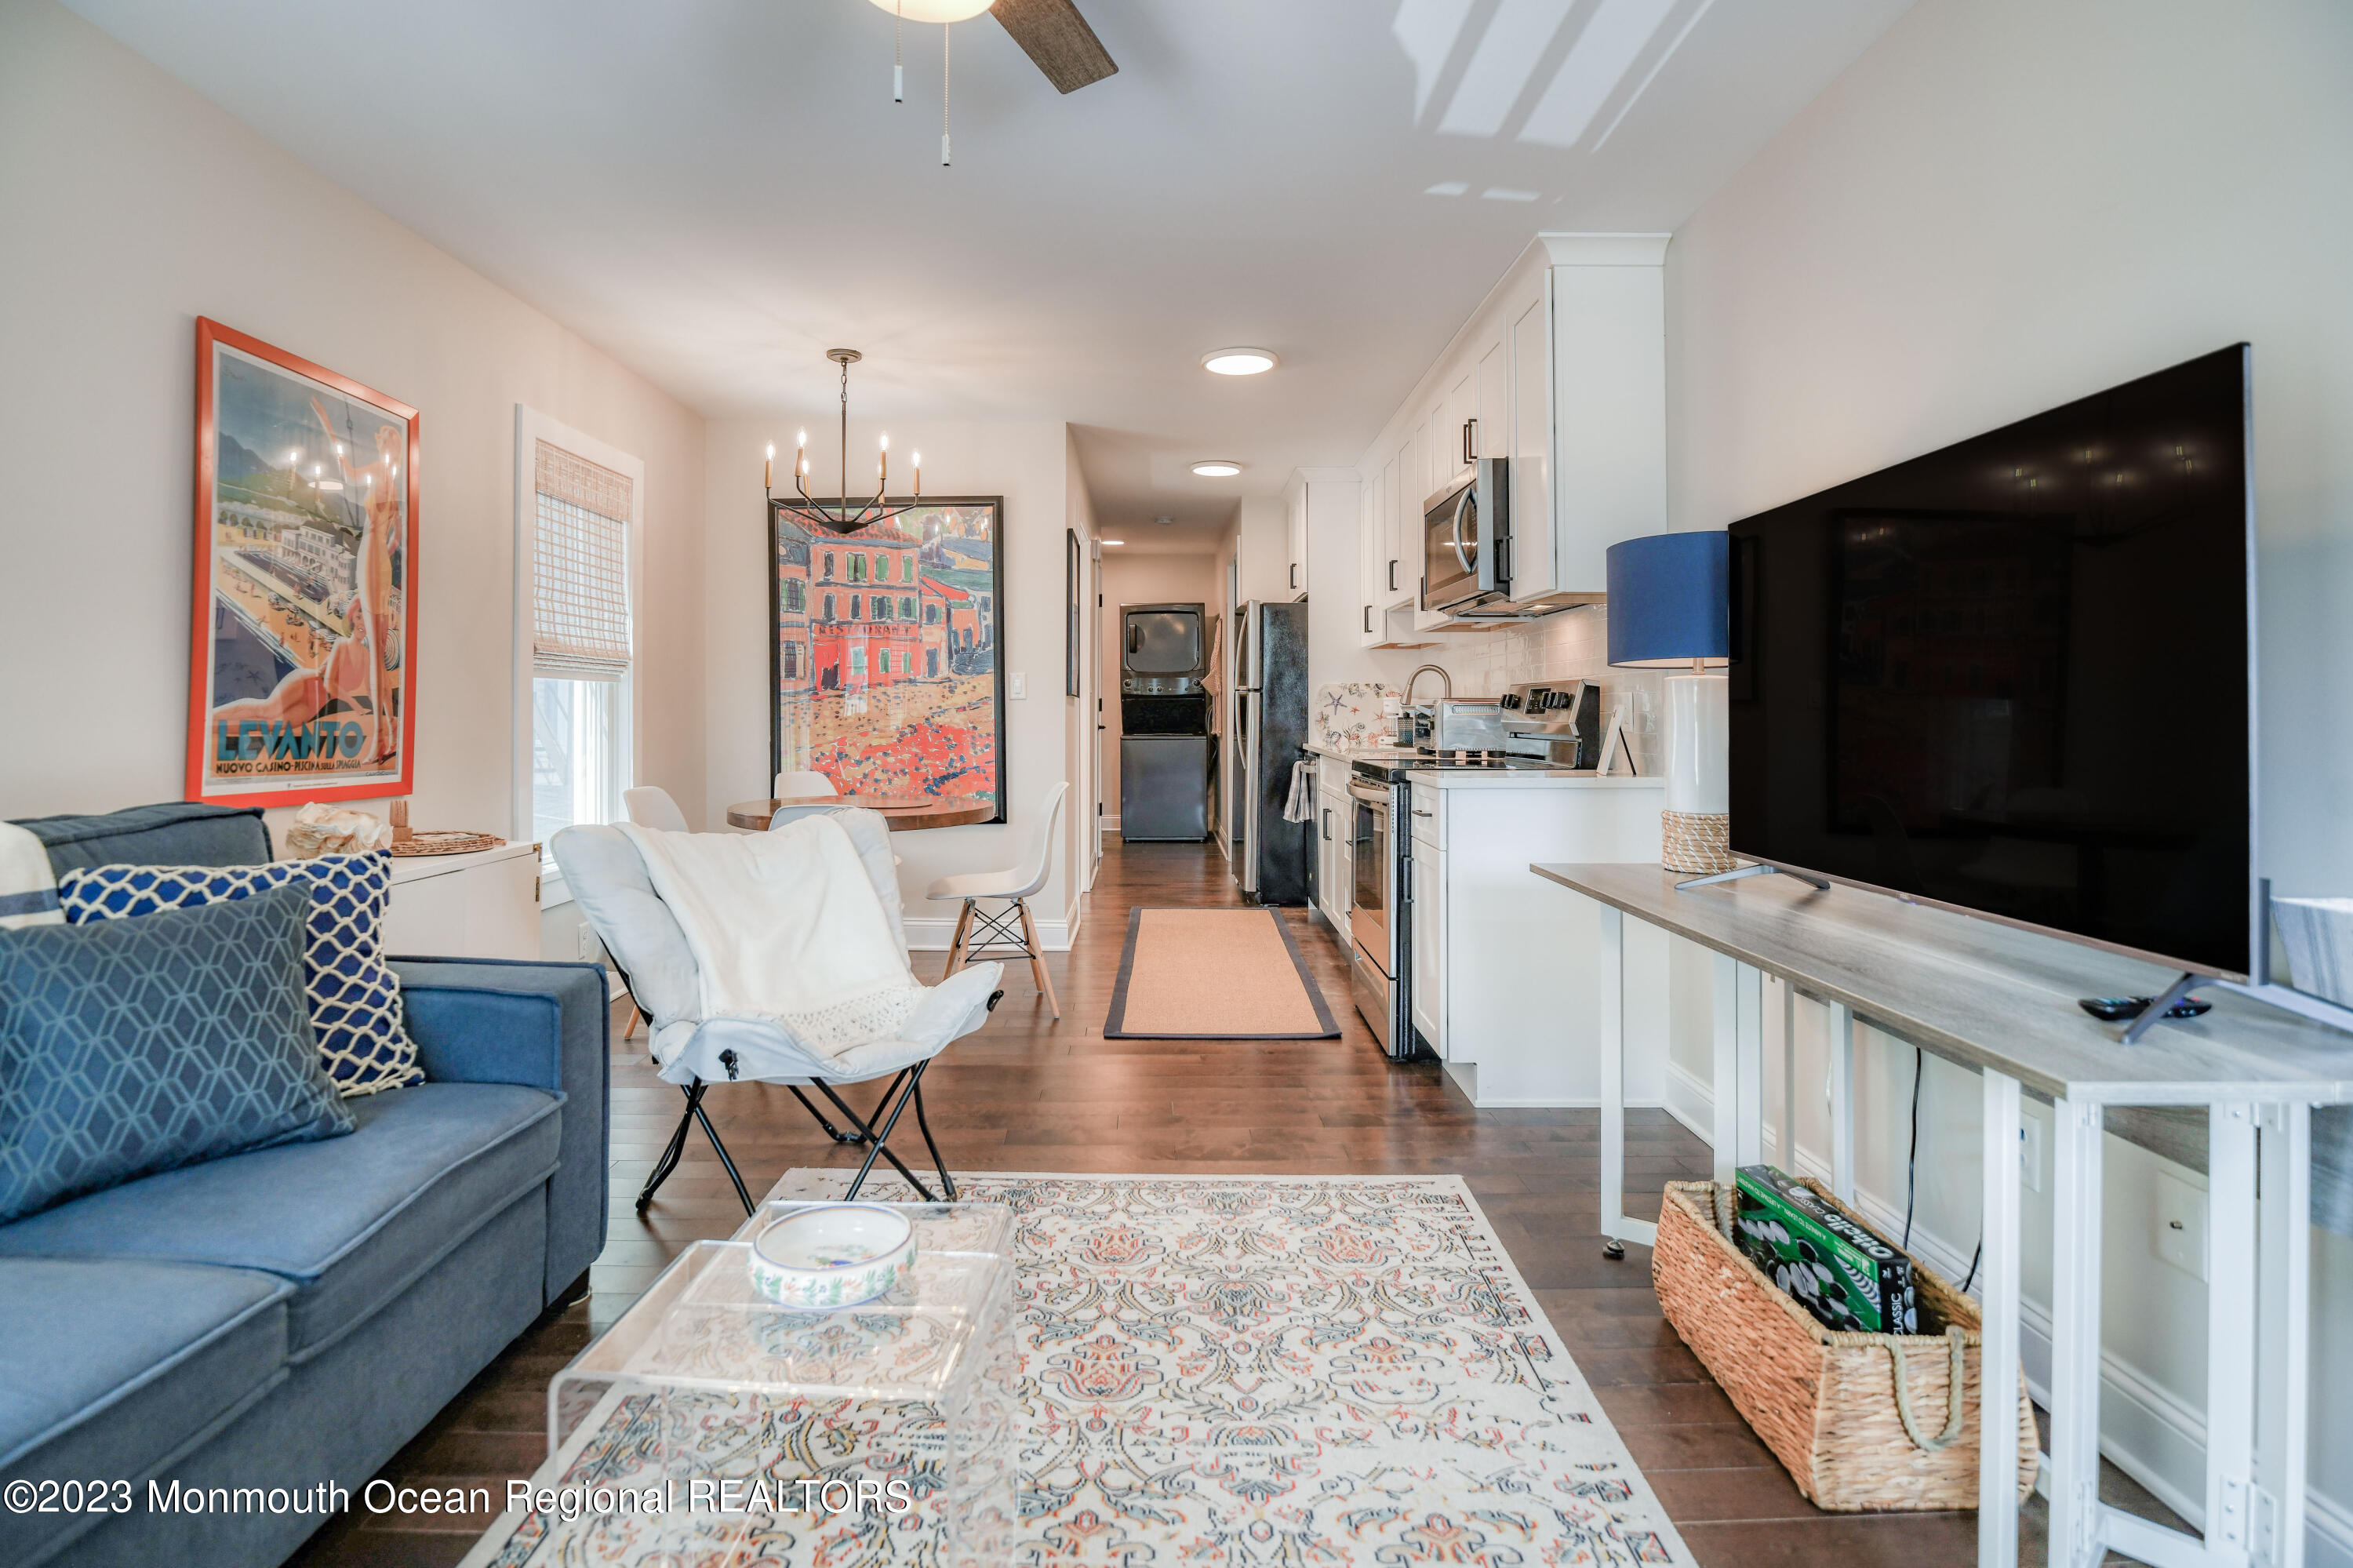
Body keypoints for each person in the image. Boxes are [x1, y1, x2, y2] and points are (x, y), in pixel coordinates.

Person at [210, 402, 402, 766]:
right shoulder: (391, 483)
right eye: (358, 616)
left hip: (371, 561)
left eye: (383, 439)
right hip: (376, 563)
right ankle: (385, 737)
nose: (361, 621)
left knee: (268, 717)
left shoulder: (381, 471)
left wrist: (327, 425)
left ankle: (384, 737)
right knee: (268, 718)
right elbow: (395, 539)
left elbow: (346, 470)